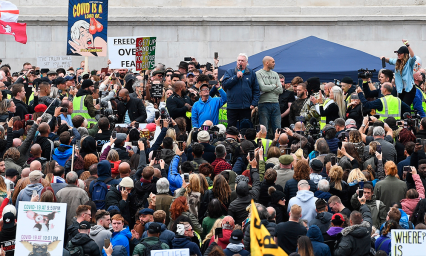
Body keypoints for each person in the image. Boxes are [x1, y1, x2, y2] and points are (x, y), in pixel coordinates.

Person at [222, 53, 260, 128]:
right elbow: (225, 84)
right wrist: (236, 77)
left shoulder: (251, 73)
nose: (240, 62)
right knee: (231, 127)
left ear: (246, 62)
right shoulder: (230, 72)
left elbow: (256, 89)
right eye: (239, 60)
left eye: (242, 60)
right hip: (233, 106)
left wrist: (254, 103)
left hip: (246, 107)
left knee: (245, 128)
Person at [381, 40, 417, 105]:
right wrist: (384, 58)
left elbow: (413, 57)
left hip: (409, 89)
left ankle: (407, 115)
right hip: (401, 89)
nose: (398, 54)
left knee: (405, 106)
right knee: (400, 107)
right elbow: (390, 60)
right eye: (398, 53)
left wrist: (407, 45)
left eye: (400, 53)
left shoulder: (409, 62)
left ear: (405, 54)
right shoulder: (397, 62)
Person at [256, 56, 283, 139]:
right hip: (263, 103)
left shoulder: (275, 74)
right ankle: (264, 149)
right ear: (267, 63)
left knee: (278, 128)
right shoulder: (258, 73)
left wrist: (269, 87)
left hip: (275, 103)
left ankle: (278, 149)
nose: (274, 63)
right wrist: (274, 86)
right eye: (273, 62)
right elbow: (262, 88)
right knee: (264, 129)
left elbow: (281, 90)